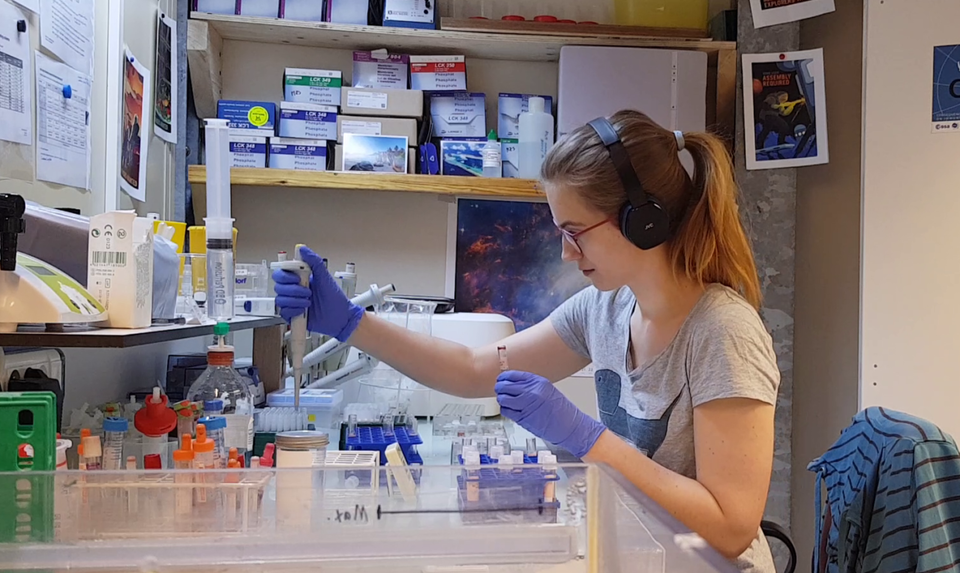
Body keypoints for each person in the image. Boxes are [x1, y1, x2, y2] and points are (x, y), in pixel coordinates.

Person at [274, 110, 780, 573]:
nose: (565, 253)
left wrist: (589, 440)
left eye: (576, 232)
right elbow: (474, 368)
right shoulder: (605, 310)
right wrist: (349, 324)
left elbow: (731, 529)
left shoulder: (721, 332)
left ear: (642, 221)